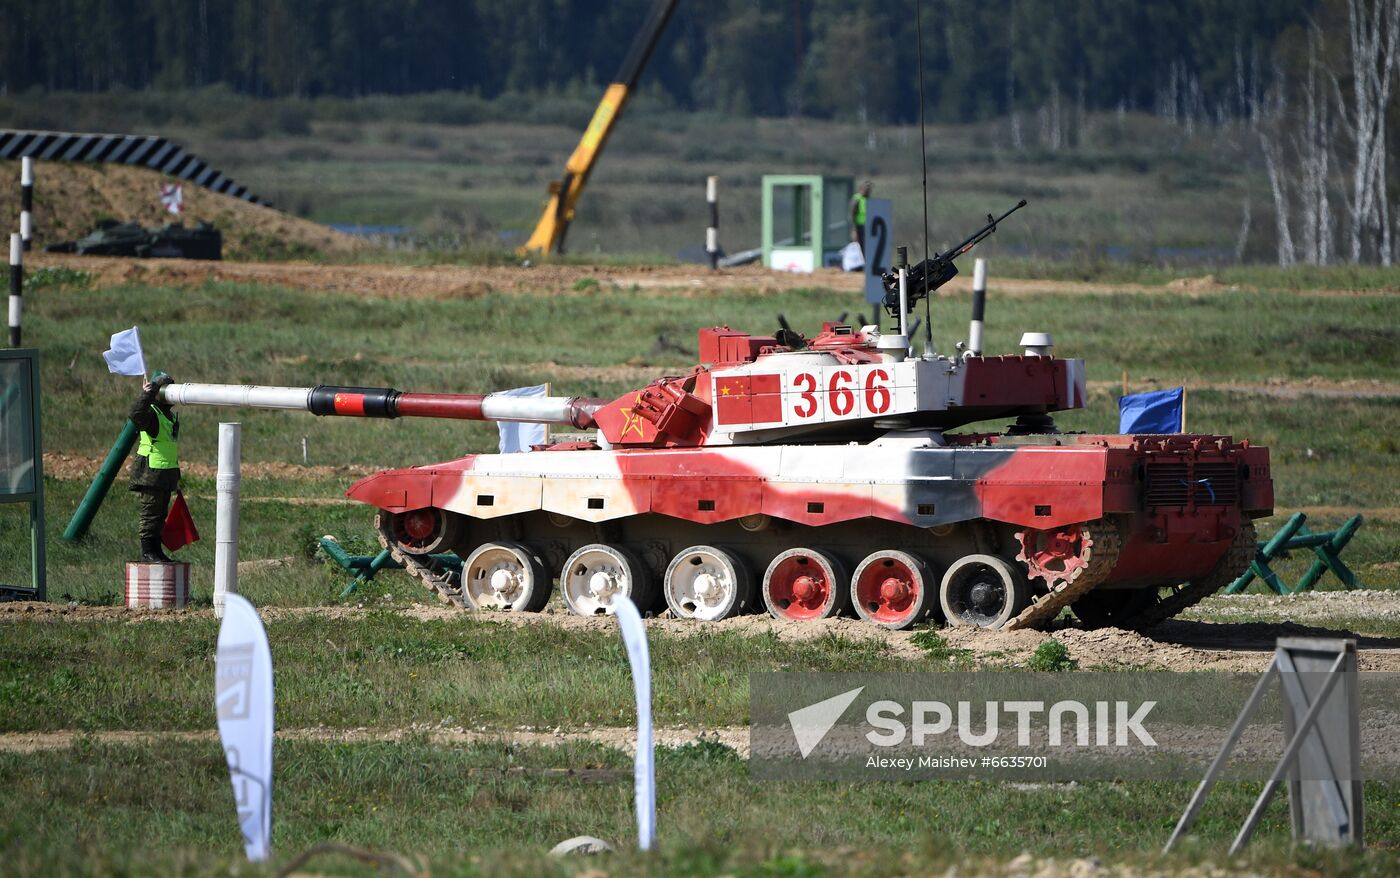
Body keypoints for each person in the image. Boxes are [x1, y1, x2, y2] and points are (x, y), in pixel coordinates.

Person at [128, 373, 180, 562]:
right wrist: (146, 395)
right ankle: (148, 550)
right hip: (151, 473)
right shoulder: (152, 413)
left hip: (165, 473)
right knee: (150, 512)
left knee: (160, 515)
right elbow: (135, 415)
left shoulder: (169, 416)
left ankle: (156, 550)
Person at [850, 180, 873, 253]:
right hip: (859, 227)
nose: (868, 191)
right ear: (862, 188)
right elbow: (852, 214)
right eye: (867, 188)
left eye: (869, 189)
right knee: (860, 249)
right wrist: (854, 230)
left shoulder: (868, 199)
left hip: (868, 227)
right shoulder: (857, 199)